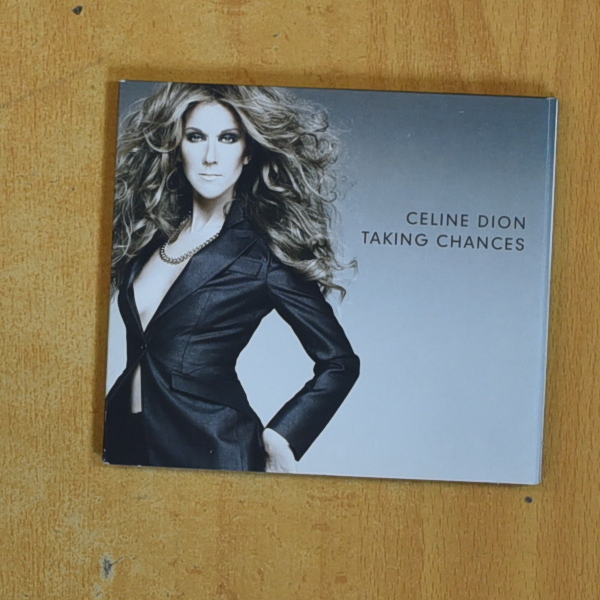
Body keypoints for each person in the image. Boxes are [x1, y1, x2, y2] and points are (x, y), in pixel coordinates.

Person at [103, 82, 359, 473]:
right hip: (125, 440)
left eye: (227, 138)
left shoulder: (263, 252)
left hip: (212, 447)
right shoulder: (148, 236)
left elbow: (340, 362)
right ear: (177, 146)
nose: (210, 157)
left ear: (248, 151)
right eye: (195, 137)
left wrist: (282, 435)